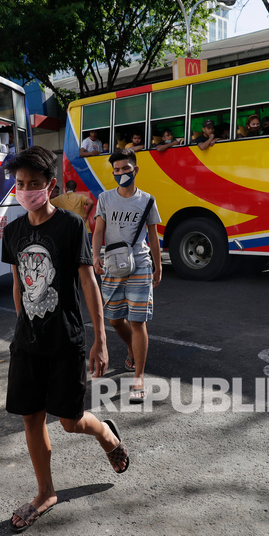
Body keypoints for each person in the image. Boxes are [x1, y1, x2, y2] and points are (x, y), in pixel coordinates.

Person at [1, 146, 128, 533]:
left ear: (50, 185)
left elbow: (88, 281)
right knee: (31, 416)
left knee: (70, 421)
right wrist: (23, 326)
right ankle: (45, 492)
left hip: (66, 340)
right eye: (20, 184)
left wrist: (100, 340)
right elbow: (18, 283)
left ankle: (106, 433)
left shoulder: (71, 226)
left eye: (34, 184)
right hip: (28, 343)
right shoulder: (14, 231)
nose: (26, 190)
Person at [93, 148, 162, 403]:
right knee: (113, 319)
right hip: (112, 264)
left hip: (140, 264)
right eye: (117, 170)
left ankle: (139, 377)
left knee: (138, 321)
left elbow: (153, 235)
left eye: (125, 169)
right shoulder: (105, 199)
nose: (121, 173)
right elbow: (98, 230)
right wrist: (95, 256)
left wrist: (159, 265)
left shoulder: (147, 200)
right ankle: (132, 348)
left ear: (135, 170)